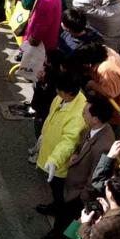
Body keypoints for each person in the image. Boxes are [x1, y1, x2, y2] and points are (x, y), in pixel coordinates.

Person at [47, 95, 117, 239]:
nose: (82, 113)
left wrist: (83, 198)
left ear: (95, 119)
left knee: (82, 230)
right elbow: (81, 146)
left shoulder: (104, 144)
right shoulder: (92, 129)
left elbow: (96, 177)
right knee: (72, 223)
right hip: (75, 187)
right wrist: (76, 154)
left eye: (85, 111)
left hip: (83, 194)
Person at [35, 74, 87, 214]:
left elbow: (69, 141)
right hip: (51, 152)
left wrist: (54, 161)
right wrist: (43, 134)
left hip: (60, 163)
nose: (56, 91)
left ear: (68, 92)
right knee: (55, 189)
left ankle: (58, 211)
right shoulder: (62, 98)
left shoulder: (78, 115)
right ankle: (56, 206)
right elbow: (52, 118)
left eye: (59, 89)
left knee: (59, 191)